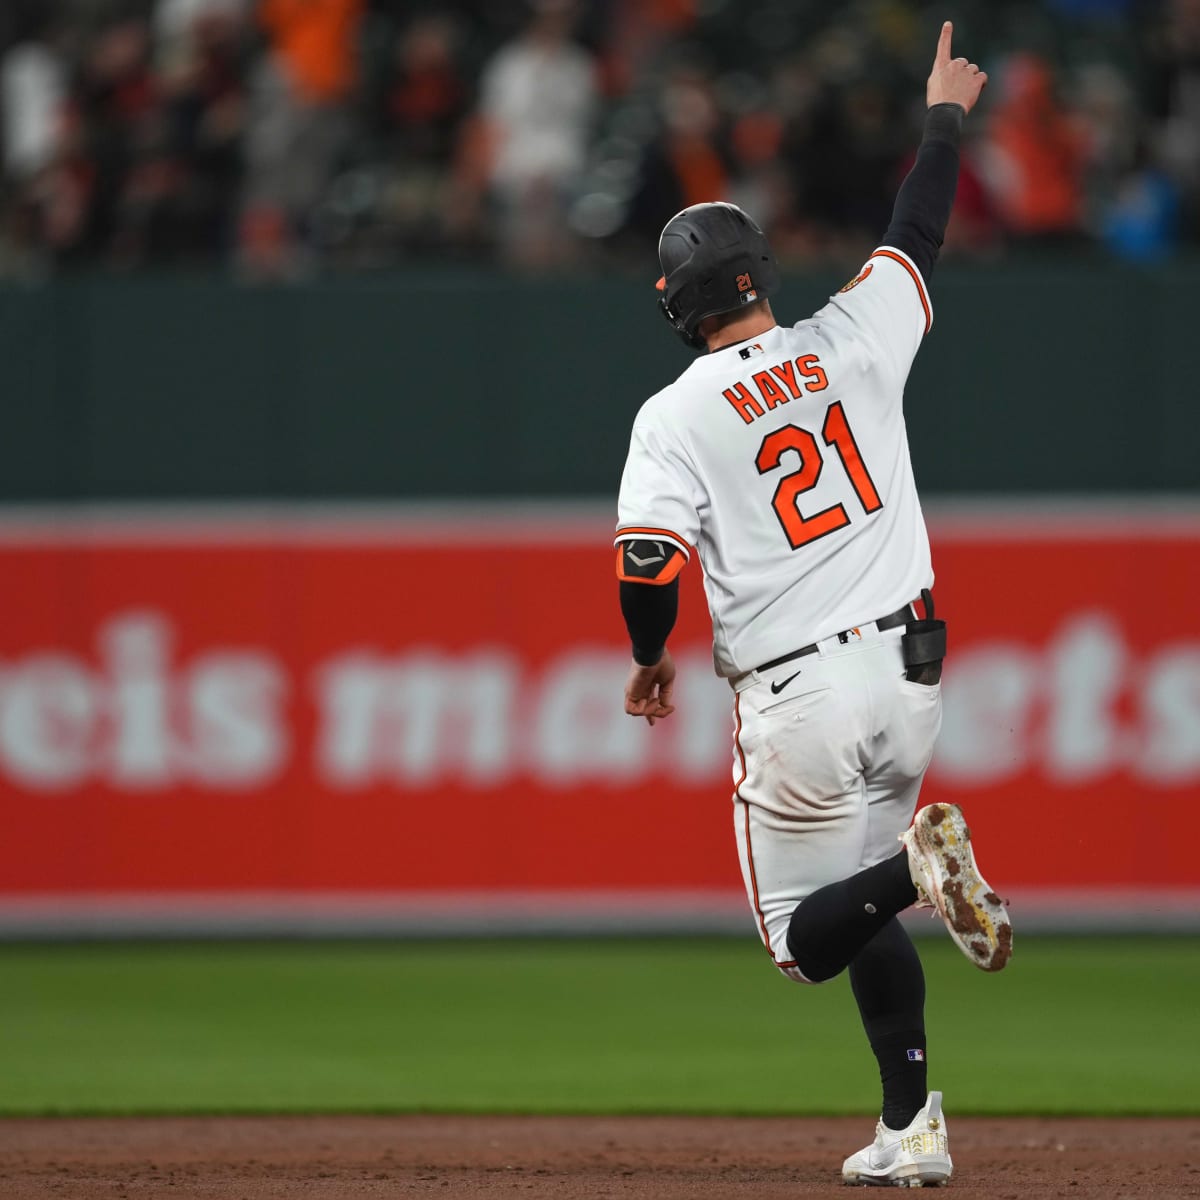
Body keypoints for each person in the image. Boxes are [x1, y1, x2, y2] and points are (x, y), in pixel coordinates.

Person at [613, 22, 1011, 1188]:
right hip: (913, 674)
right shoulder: (852, 335)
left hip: (797, 692)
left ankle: (919, 873)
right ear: (759, 277)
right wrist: (942, 117)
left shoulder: (676, 414)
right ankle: (912, 1129)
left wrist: (648, 659)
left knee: (807, 938)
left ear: (678, 305)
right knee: (866, 896)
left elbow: (648, 568)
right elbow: (917, 231)